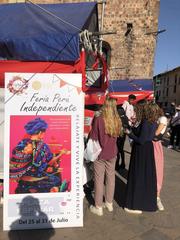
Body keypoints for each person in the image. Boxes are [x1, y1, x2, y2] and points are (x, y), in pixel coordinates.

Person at [10, 118, 70, 193]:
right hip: (38, 181)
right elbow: (49, 163)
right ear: (40, 133)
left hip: (23, 181)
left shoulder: (21, 144)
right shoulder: (44, 147)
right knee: (57, 180)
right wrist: (61, 154)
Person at [89, 96, 122, 216]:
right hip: (112, 153)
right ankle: (109, 203)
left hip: (100, 153)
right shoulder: (117, 119)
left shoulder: (99, 119)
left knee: (98, 179)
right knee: (111, 177)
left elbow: (93, 136)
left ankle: (98, 206)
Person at [124, 102, 158, 214]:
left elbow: (141, 140)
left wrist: (129, 133)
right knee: (147, 177)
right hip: (148, 150)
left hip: (141, 150)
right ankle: (145, 202)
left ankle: (134, 204)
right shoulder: (154, 121)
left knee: (137, 175)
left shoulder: (145, 121)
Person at [153, 106, 167, 211]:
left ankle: (157, 198)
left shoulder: (162, 119)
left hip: (156, 145)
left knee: (157, 171)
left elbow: (156, 133)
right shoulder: (155, 118)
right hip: (151, 145)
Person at [116, 106, 129, 170]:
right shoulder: (125, 117)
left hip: (118, 136)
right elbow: (128, 127)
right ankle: (123, 163)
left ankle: (117, 164)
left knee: (117, 150)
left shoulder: (118, 118)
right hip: (123, 136)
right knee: (121, 149)